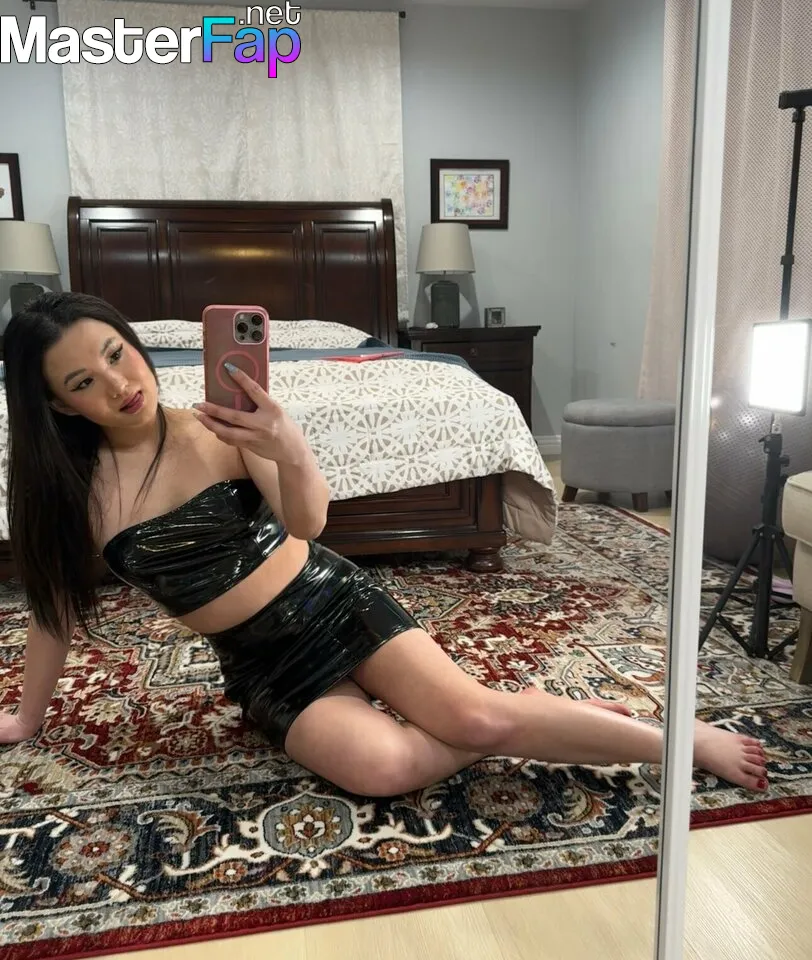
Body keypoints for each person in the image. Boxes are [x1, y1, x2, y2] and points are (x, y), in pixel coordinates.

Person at [0, 292, 768, 797]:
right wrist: (29, 719)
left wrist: (288, 445)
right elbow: (51, 611)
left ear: (133, 342)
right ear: (56, 405)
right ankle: (531, 710)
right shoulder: (76, 498)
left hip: (334, 603)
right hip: (262, 662)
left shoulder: (220, 425)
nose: (118, 383)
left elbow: (308, 523)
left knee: (475, 721)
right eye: (82, 382)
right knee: (382, 766)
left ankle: (678, 741)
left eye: (115, 352)